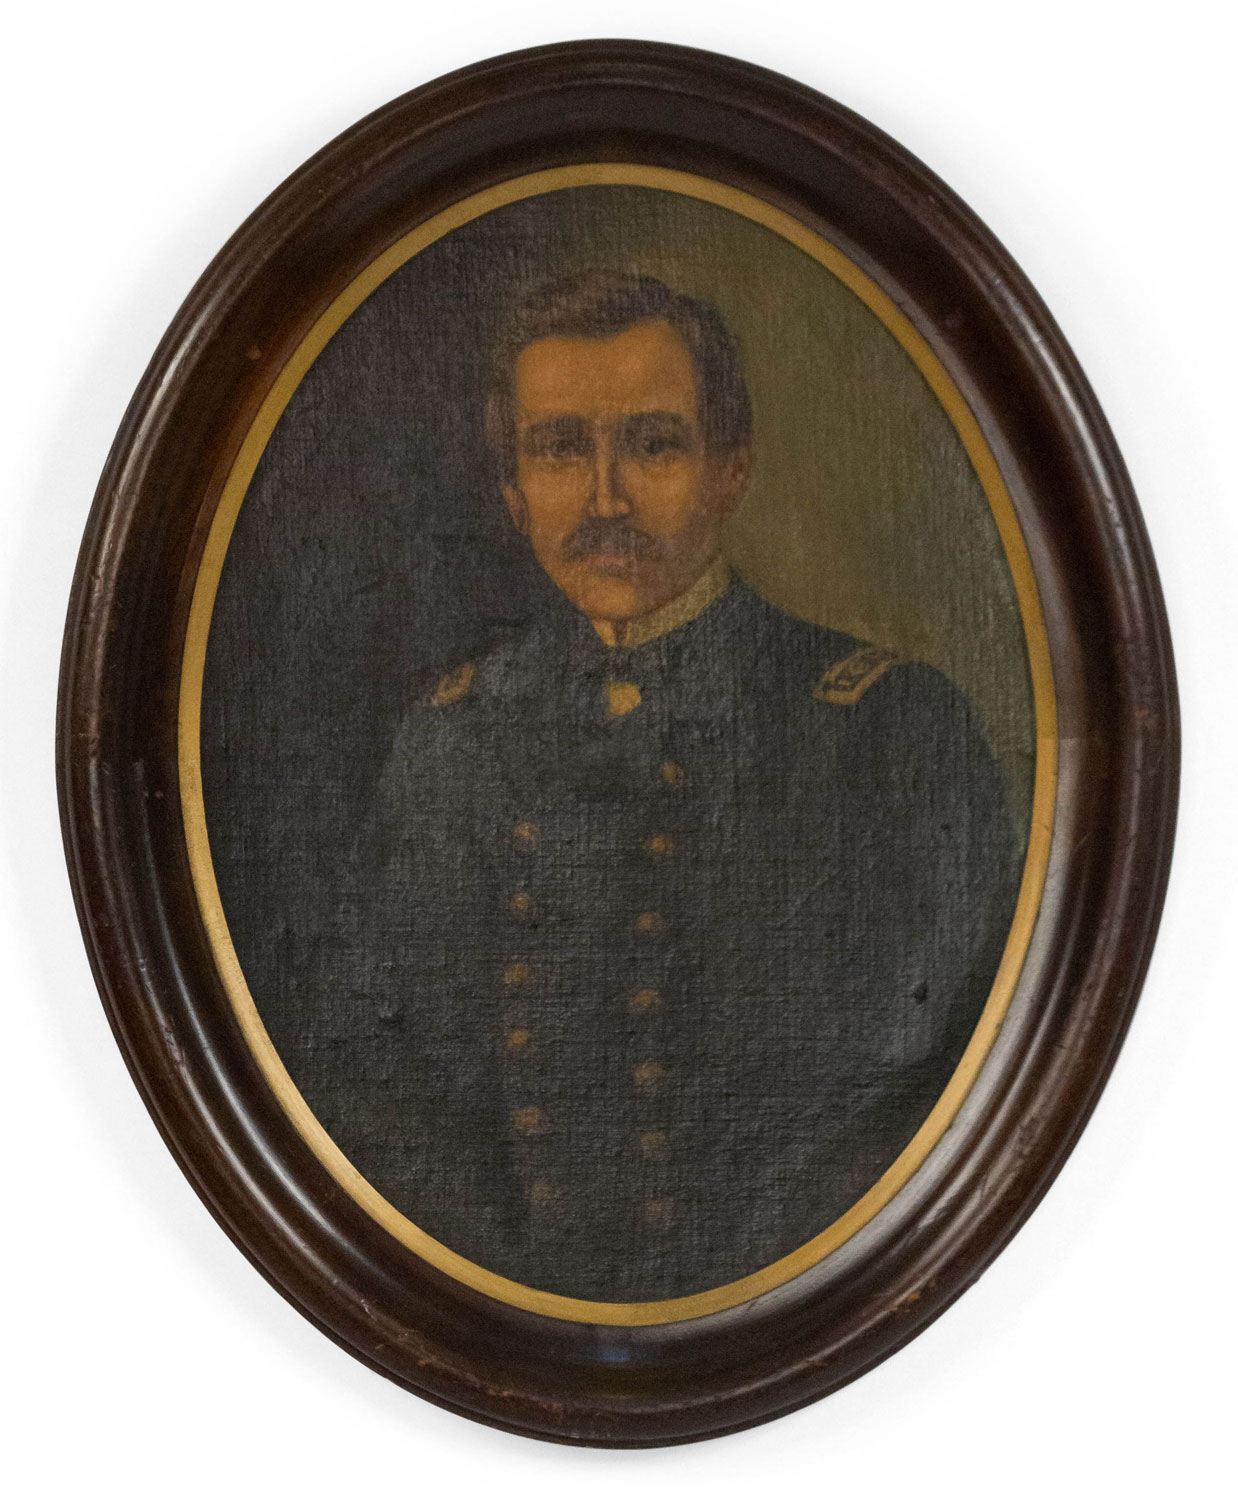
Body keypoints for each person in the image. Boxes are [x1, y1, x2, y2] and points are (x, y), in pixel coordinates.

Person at [288, 270, 1021, 1302]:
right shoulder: (444, 741)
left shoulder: (884, 730)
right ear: (511, 494)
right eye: (559, 449)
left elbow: (929, 1090)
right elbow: (372, 1084)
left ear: (730, 470)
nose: (605, 501)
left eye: (653, 445)